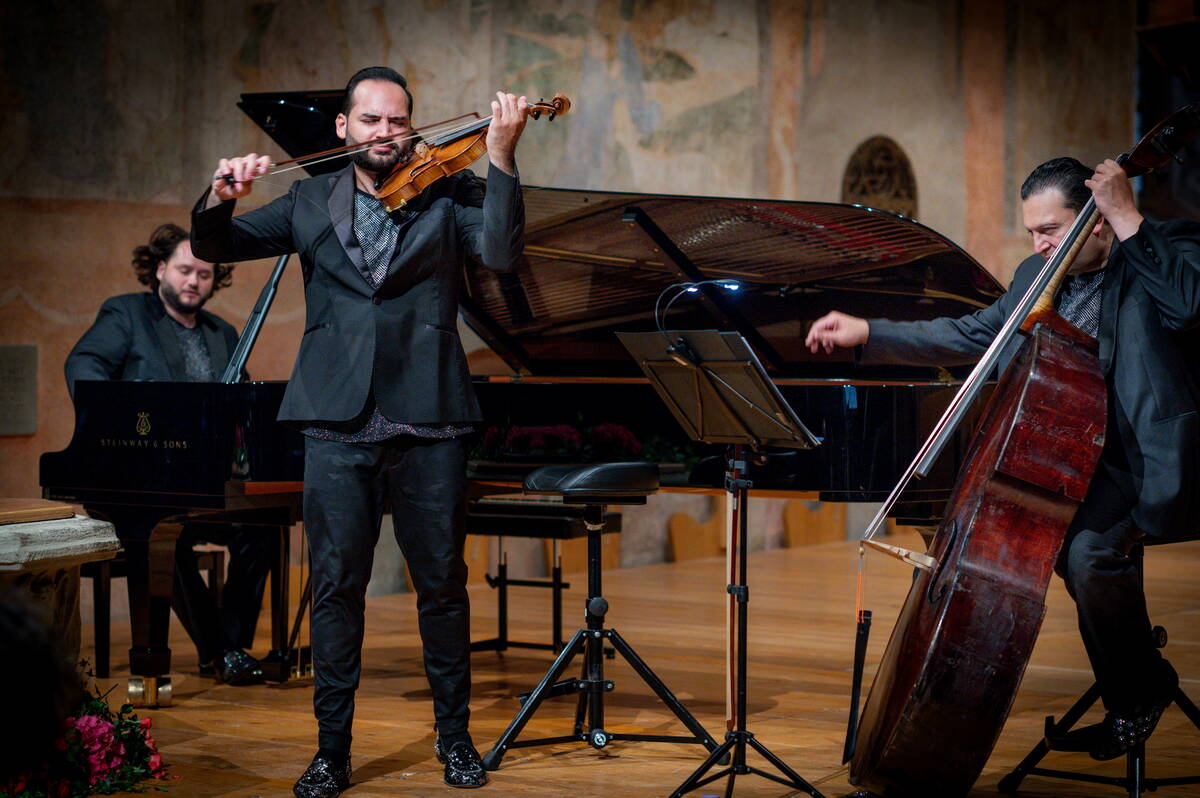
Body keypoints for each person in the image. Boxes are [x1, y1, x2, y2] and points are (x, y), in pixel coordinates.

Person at [191, 66, 528, 796]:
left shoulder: (452, 189)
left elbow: (501, 255)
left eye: (397, 120)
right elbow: (217, 245)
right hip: (335, 420)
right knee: (336, 589)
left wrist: (501, 156)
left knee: (441, 586)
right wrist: (219, 196)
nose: (386, 132)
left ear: (411, 125)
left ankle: (456, 739)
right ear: (343, 126)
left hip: (430, 416)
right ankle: (331, 751)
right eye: (371, 120)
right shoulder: (308, 198)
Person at [806, 156, 1200, 761]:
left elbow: (1189, 308)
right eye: (1032, 231)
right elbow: (976, 334)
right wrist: (870, 332)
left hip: (1150, 459)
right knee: (1061, 550)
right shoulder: (1036, 274)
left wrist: (1127, 216)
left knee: (1088, 555)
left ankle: (1138, 693)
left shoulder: (1164, 247)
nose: (1039, 244)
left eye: (1050, 229)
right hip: (1074, 459)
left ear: (1095, 220)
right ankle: (1139, 680)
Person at [65, 223, 271, 685]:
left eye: (204, 274)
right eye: (184, 270)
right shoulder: (127, 315)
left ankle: (229, 643)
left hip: (206, 483)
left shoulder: (222, 332)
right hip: (135, 482)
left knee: (261, 530)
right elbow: (84, 364)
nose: (193, 281)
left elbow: (240, 405)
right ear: (160, 269)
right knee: (161, 534)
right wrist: (112, 422)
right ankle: (222, 651)